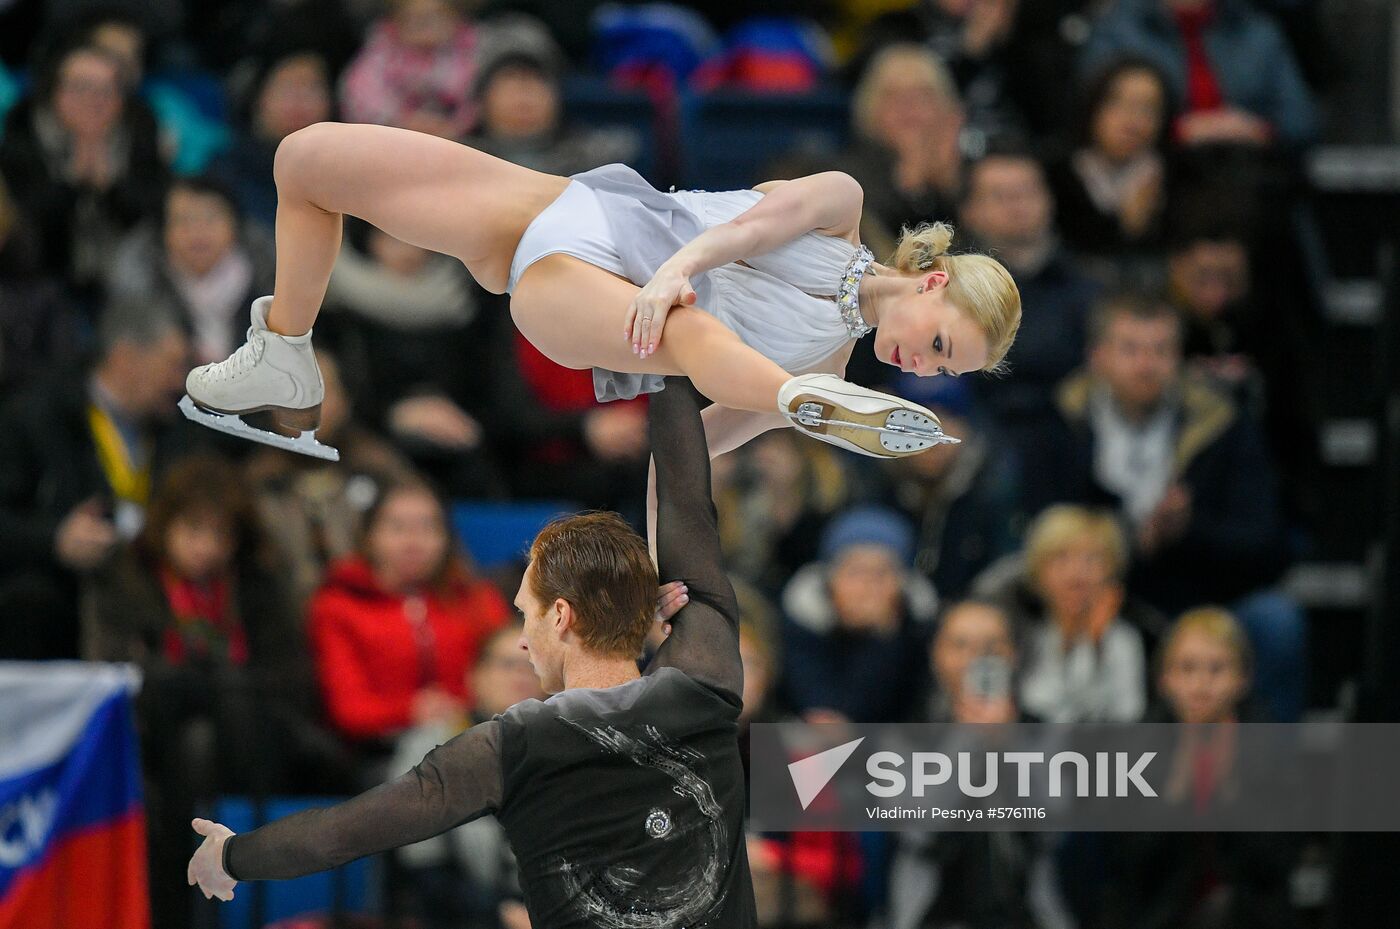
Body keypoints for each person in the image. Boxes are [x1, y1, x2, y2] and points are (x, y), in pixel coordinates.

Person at [188, 376, 761, 929]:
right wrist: (676, 356)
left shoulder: (509, 746)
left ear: (560, 616)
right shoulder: (705, 673)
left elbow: (341, 835)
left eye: (526, 613)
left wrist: (232, 855)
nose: (520, 637)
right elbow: (687, 494)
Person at [181, 119, 1022, 462]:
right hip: (587, 211)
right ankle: (285, 354)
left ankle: (801, 405)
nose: (924, 366)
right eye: (942, 344)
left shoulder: (826, 363)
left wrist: (668, 567)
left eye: (942, 373)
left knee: (688, 337)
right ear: (933, 281)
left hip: (613, 305)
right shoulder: (844, 202)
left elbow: (681, 453)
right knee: (308, 161)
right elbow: (752, 230)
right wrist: (677, 268)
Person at [0, 299, 193, 659]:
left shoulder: (176, 430)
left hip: (152, 595)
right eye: (172, 365)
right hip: (65, 603)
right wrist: (54, 539)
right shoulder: (35, 418)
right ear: (125, 358)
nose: (180, 380)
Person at [308, 480, 511, 777]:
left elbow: (513, 678)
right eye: (398, 527)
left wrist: (458, 708)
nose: (414, 541)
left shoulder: (476, 598)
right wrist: (409, 711)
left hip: (477, 734)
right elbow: (348, 708)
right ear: (369, 536)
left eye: (429, 527)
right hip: (379, 753)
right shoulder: (338, 604)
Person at [779, 505, 939, 723]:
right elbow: (828, 717)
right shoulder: (800, 629)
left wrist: (884, 638)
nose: (867, 586)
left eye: (881, 573)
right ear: (830, 581)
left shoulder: (921, 636)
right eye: (855, 572)